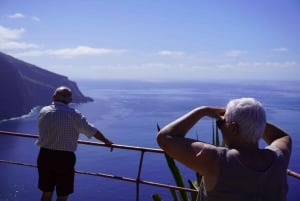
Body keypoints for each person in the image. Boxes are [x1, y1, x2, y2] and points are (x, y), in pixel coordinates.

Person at [157, 97, 292, 201]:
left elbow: (165, 137)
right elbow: (282, 136)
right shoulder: (279, 158)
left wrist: (203, 111)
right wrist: (254, 121)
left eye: (221, 123)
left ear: (234, 128)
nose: (220, 126)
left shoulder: (216, 161)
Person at [36, 86, 113, 201]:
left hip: (44, 155)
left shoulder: (43, 111)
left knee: (47, 192)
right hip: (64, 158)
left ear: (54, 97)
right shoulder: (74, 115)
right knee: (62, 194)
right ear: (70, 100)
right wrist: (106, 141)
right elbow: (92, 131)